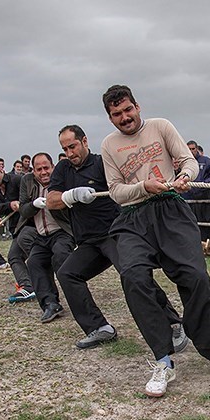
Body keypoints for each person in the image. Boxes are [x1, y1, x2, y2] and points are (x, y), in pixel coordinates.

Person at [100, 84, 210, 398]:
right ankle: (162, 359)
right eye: (116, 114)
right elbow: (115, 191)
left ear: (137, 106)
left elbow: (187, 161)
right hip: (133, 217)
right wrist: (142, 187)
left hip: (171, 209)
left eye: (127, 110)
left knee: (195, 277)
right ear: (110, 117)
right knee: (134, 277)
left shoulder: (160, 126)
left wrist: (184, 178)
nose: (124, 117)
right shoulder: (109, 145)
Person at [46, 124, 186, 353]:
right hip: (89, 241)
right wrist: (71, 196)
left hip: (115, 233)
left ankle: (173, 323)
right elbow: (51, 201)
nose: (70, 153)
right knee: (67, 273)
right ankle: (100, 328)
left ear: (84, 141)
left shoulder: (102, 163)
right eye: (65, 148)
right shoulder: (63, 169)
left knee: (135, 276)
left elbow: (126, 188)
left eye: (72, 146)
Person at [16, 152, 74, 322]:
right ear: (33, 171)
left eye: (46, 168)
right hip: (41, 234)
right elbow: (23, 209)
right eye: (39, 169)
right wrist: (33, 205)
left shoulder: (61, 180)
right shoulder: (26, 182)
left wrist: (56, 202)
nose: (43, 172)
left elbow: (71, 206)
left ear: (53, 167)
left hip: (62, 231)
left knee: (61, 257)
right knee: (34, 262)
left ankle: (75, 297)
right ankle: (50, 304)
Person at [0, 156, 35, 302]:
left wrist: (22, 204)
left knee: (36, 255)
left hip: (31, 224)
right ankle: (28, 287)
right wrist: (10, 205)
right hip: (16, 228)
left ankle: (42, 284)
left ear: (1, 168)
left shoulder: (17, 180)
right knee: (14, 257)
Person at [185, 139, 210, 247]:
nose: (191, 151)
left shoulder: (206, 161)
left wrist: (204, 183)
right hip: (193, 196)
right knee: (197, 222)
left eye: (193, 149)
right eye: (189, 149)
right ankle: (202, 246)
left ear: (197, 149)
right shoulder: (185, 164)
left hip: (207, 195)